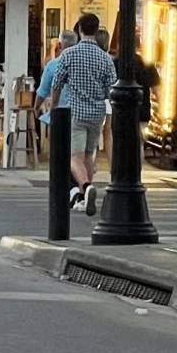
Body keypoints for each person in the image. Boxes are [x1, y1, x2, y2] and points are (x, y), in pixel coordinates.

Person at [51, 12, 116, 217]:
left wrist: (54, 107)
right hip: (97, 113)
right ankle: (84, 190)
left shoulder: (68, 55)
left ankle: (86, 186)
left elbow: (57, 82)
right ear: (96, 31)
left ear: (79, 29)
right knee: (89, 154)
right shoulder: (105, 58)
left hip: (76, 112)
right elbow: (111, 87)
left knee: (74, 157)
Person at [35, 30, 77, 132]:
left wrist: (36, 107)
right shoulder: (81, 64)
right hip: (78, 113)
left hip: (58, 111)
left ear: (60, 45)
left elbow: (43, 90)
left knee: (57, 144)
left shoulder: (52, 65)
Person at [94, 26, 114, 169]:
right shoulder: (110, 59)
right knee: (108, 131)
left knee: (94, 133)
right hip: (109, 100)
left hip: (96, 99)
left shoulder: (93, 57)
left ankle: (92, 163)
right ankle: (112, 163)